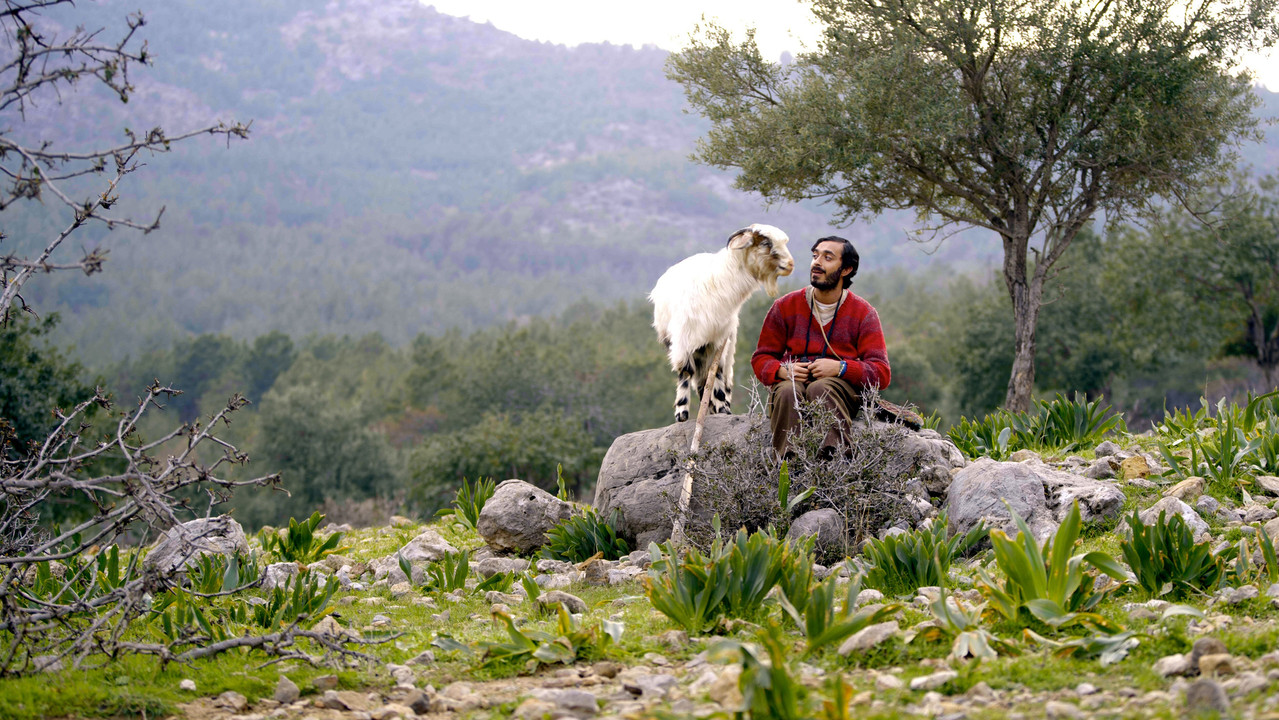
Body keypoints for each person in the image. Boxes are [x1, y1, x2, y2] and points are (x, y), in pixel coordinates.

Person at [751, 236, 891, 458]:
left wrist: (840, 369)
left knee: (821, 387)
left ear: (846, 269)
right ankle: (788, 467)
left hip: (840, 392)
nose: (817, 263)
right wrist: (781, 371)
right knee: (788, 390)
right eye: (815, 256)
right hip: (792, 388)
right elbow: (761, 358)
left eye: (828, 258)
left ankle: (834, 461)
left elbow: (881, 374)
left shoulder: (864, 313)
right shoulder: (785, 306)